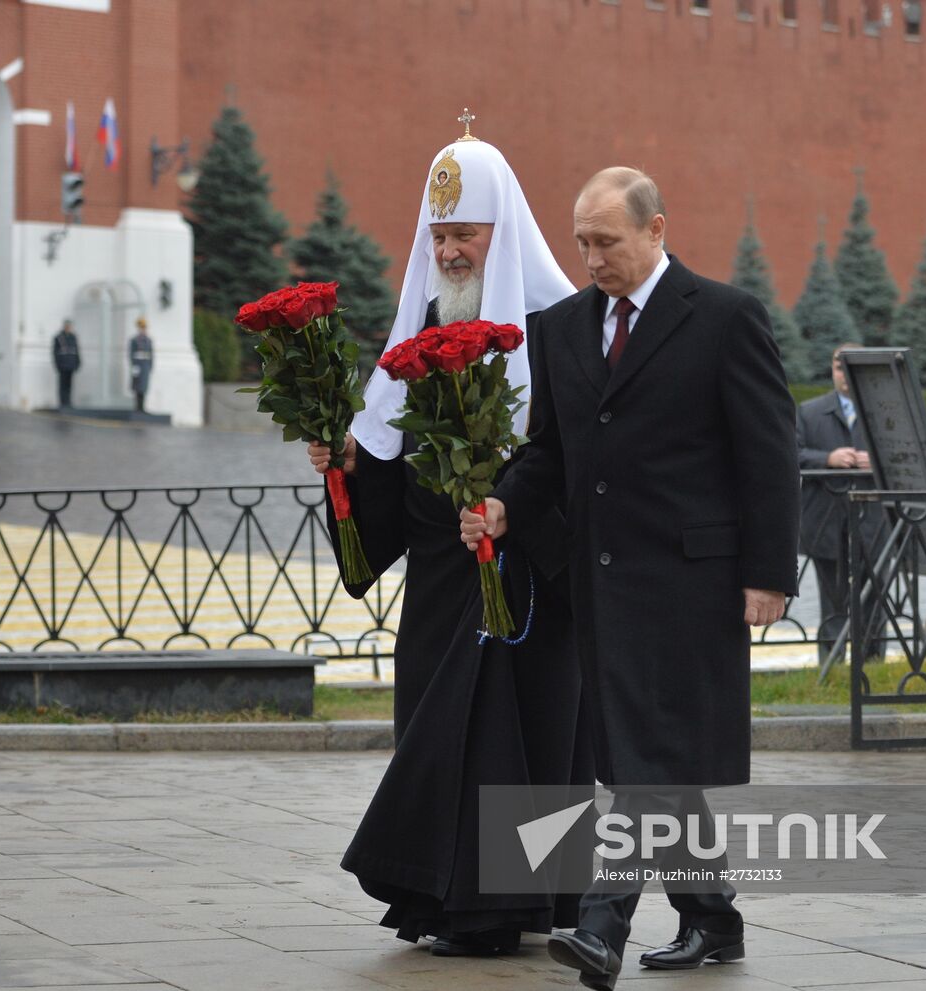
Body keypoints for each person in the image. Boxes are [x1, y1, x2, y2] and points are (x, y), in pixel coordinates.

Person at [462, 168, 800, 988]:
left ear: (655, 231)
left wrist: (769, 574)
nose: (591, 258)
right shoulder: (561, 328)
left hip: (694, 583)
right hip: (602, 584)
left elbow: (768, 455)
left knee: (649, 765)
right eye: (581, 242)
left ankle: (602, 925)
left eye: (606, 241)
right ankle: (712, 917)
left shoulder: (724, 319)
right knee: (655, 762)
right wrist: (505, 505)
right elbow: (549, 447)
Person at [308, 129, 592, 957]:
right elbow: (386, 493)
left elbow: (582, 461)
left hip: (529, 582)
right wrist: (347, 468)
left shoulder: (558, 330)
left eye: (464, 232)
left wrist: (508, 508)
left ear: (502, 230)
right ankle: (455, 901)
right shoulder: (419, 335)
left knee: (526, 739)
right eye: (437, 236)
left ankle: (527, 903)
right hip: (440, 586)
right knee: (448, 743)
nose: (450, 250)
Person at [796, 343, 887, 662]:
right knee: (831, 597)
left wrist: (876, 461)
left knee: (874, 593)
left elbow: (906, 456)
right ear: (832, 370)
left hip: (874, 520)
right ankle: (831, 662)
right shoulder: (808, 411)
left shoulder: (883, 410)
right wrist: (828, 458)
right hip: (826, 521)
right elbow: (790, 454)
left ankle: (873, 664)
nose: (845, 375)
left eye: (852, 367)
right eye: (839, 366)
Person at [52, 319, 81, 409]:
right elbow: (55, 352)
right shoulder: (59, 337)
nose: (68, 328)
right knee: (62, 385)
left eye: (69, 326)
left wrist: (78, 362)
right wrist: (57, 364)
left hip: (70, 365)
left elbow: (76, 351)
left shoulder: (73, 337)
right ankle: (63, 402)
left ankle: (68, 402)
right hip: (62, 365)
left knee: (69, 385)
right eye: (67, 326)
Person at [129, 316, 153, 413]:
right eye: (141, 327)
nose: (143, 329)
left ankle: (142, 407)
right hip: (138, 365)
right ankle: (137, 406)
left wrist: (150, 365)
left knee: (144, 386)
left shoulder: (148, 340)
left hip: (145, 365)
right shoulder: (134, 340)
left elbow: (151, 354)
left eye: (144, 328)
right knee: (137, 386)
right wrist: (133, 364)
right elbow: (131, 353)